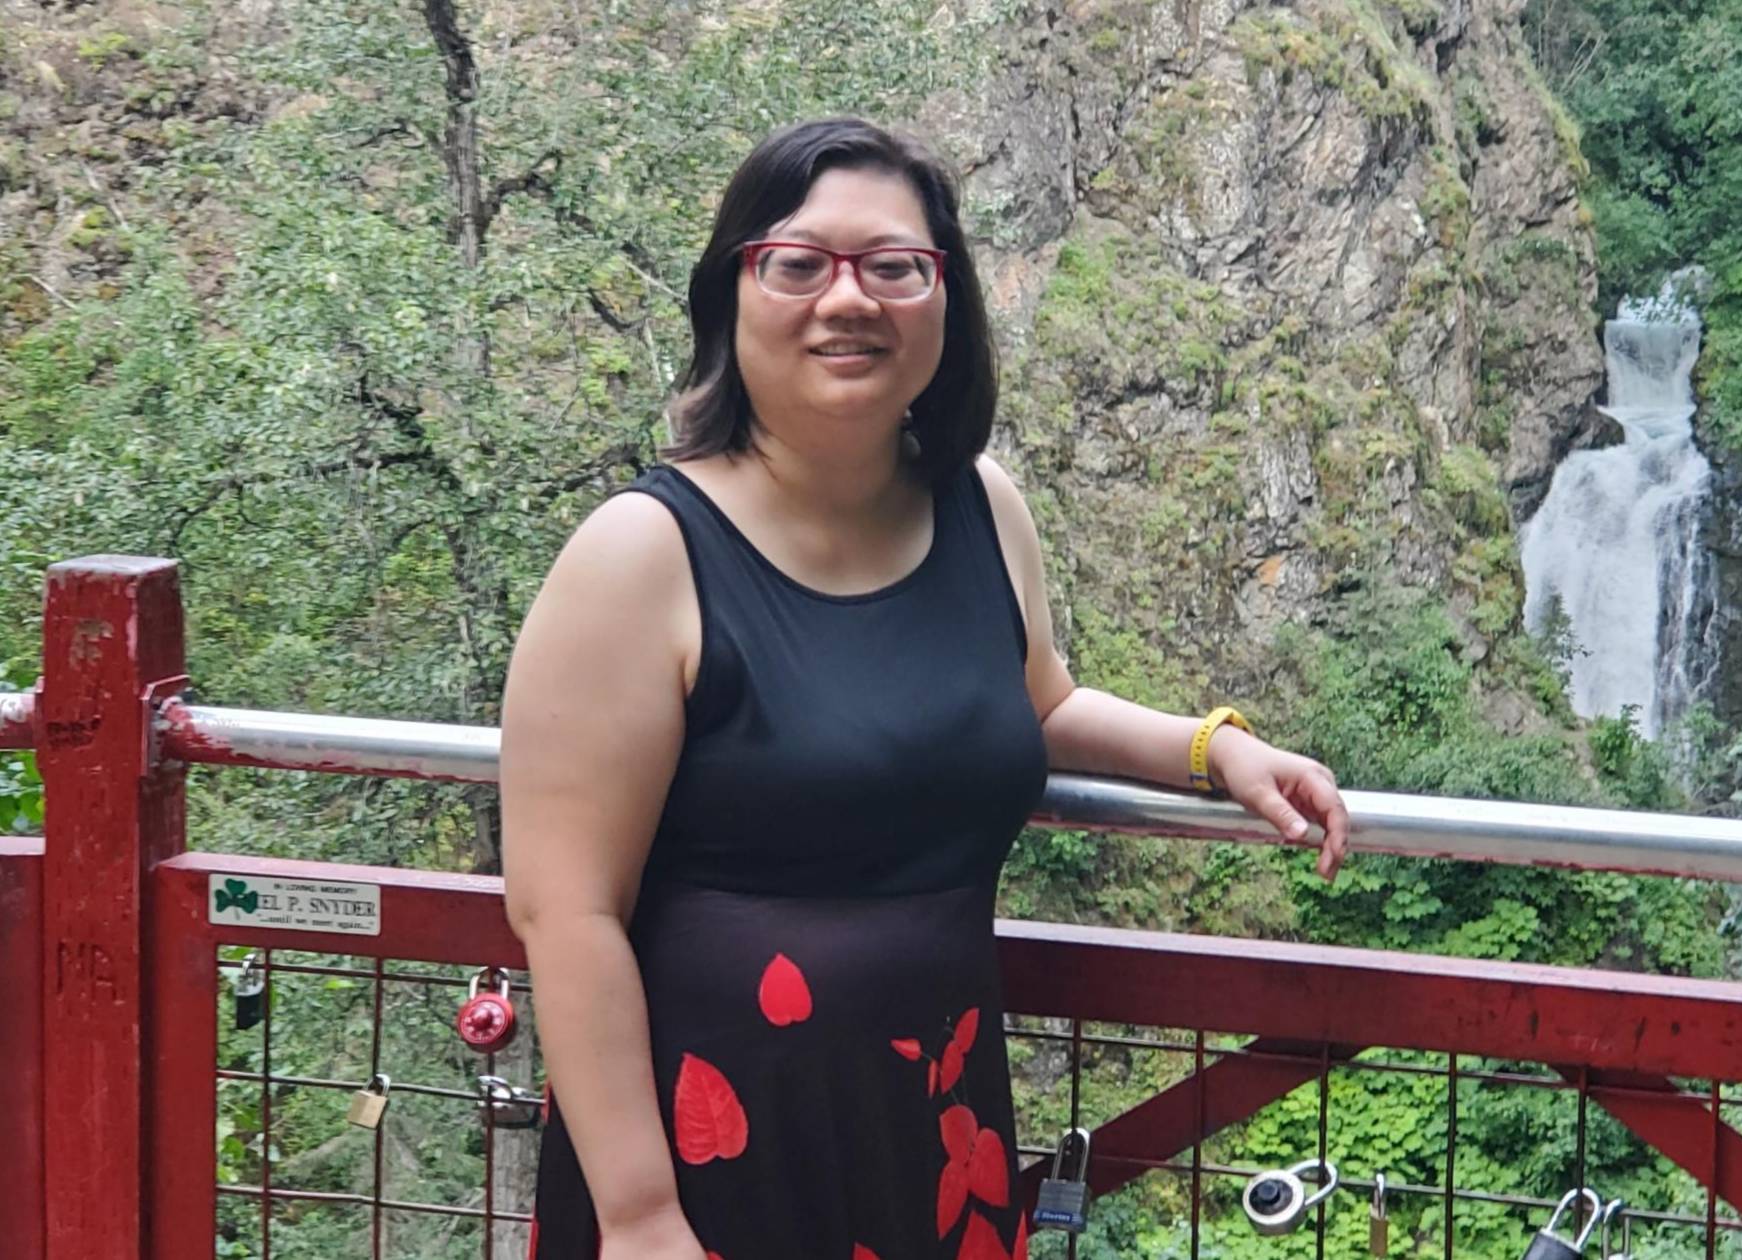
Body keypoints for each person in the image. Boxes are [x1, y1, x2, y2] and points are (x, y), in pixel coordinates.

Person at [499, 116, 1350, 1260]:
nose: (846, 300)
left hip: (935, 1116)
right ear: (729, 299)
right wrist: (639, 1214)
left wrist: (1211, 750)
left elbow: (1037, 703)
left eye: (893, 267)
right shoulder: (639, 555)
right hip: (709, 1146)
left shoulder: (978, 506)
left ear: (943, 301)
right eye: (796, 264)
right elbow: (567, 911)